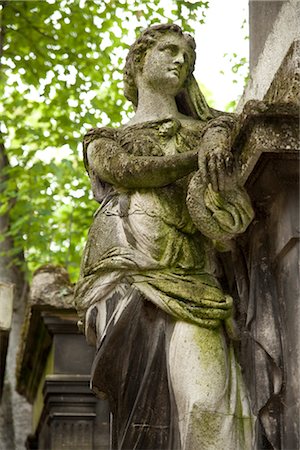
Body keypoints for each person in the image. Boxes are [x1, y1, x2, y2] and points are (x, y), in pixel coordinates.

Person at [75, 23, 254, 450]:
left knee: (206, 404)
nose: (180, 61)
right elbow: (123, 171)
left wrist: (214, 136)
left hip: (195, 280)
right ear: (139, 61)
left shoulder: (209, 129)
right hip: (123, 277)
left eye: (187, 58)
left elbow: (221, 133)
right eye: (169, 50)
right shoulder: (105, 139)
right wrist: (201, 155)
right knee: (144, 417)